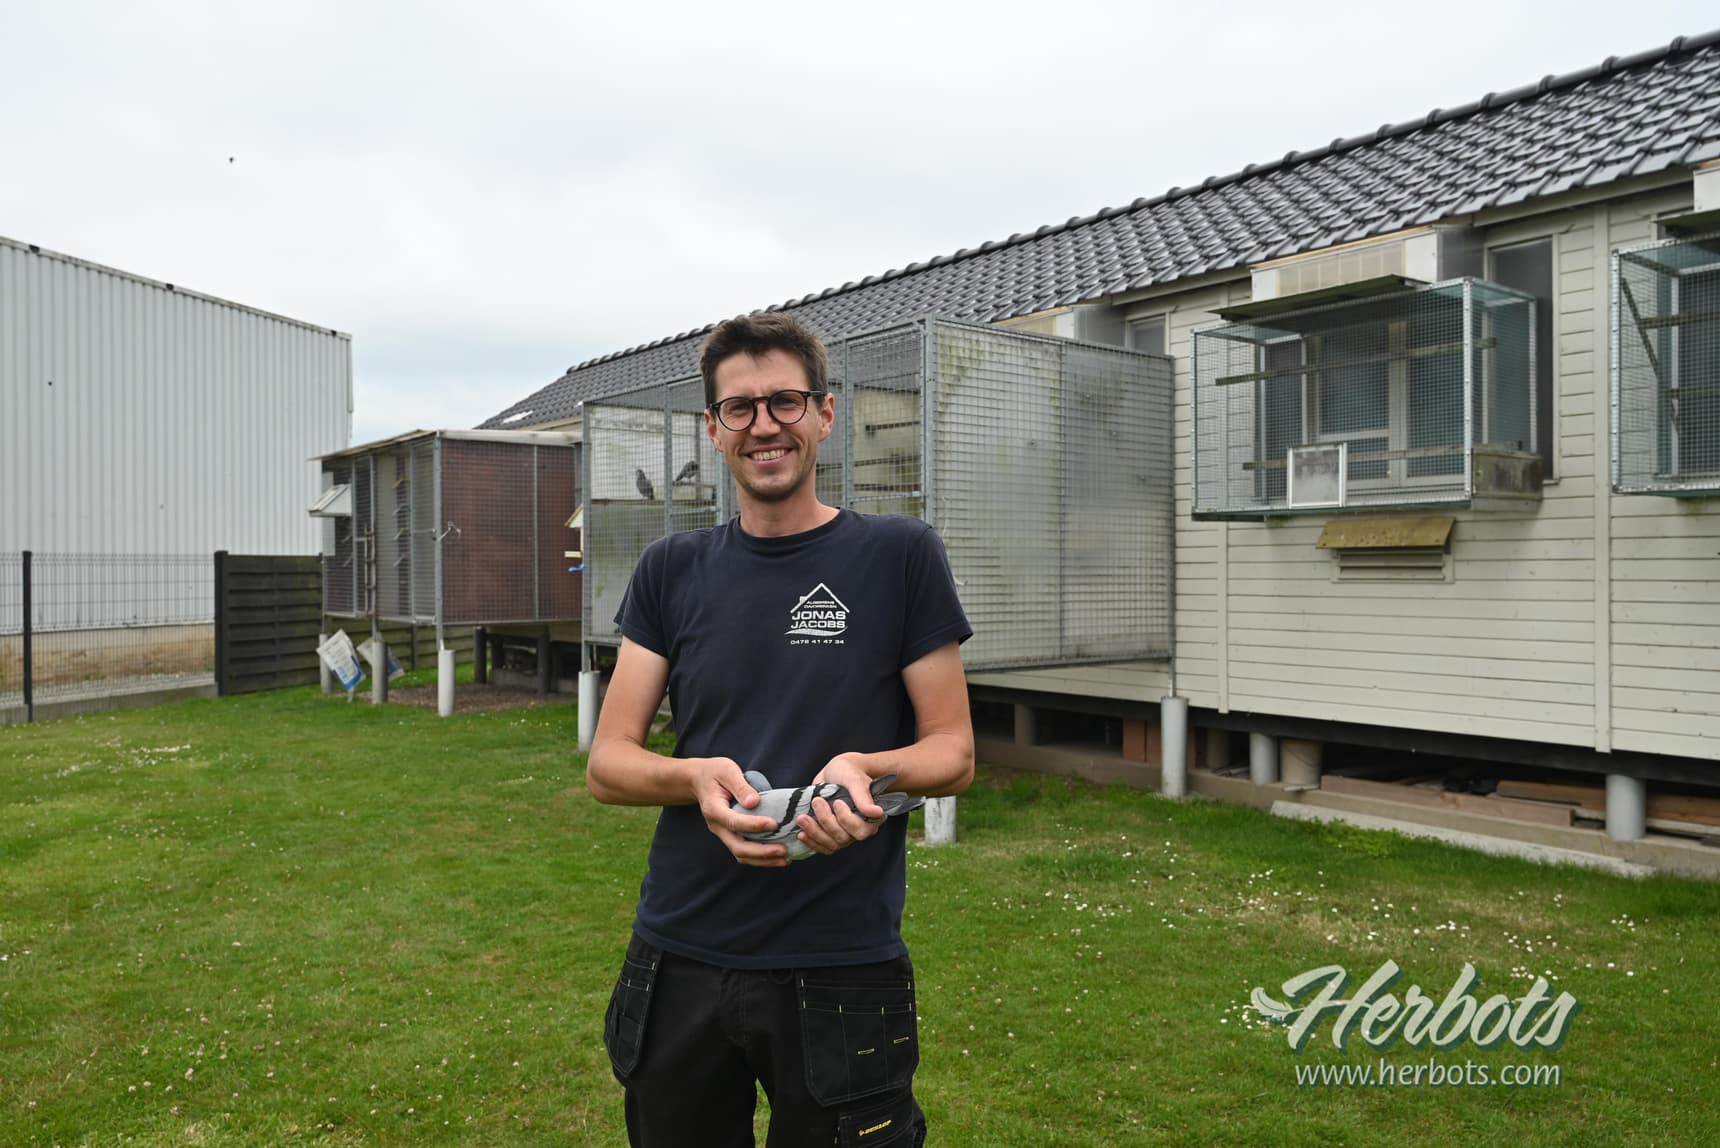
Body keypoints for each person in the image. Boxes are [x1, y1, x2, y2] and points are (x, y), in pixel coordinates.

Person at [587, 311, 974, 1147]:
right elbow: (609, 762)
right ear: (714, 428)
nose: (765, 425)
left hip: (841, 962)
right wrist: (694, 777)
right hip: (683, 948)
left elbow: (953, 752)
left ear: (825, 415)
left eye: (786, 402)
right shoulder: (671, 571)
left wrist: (868, 768)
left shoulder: (899, 556)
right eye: (740, 408)